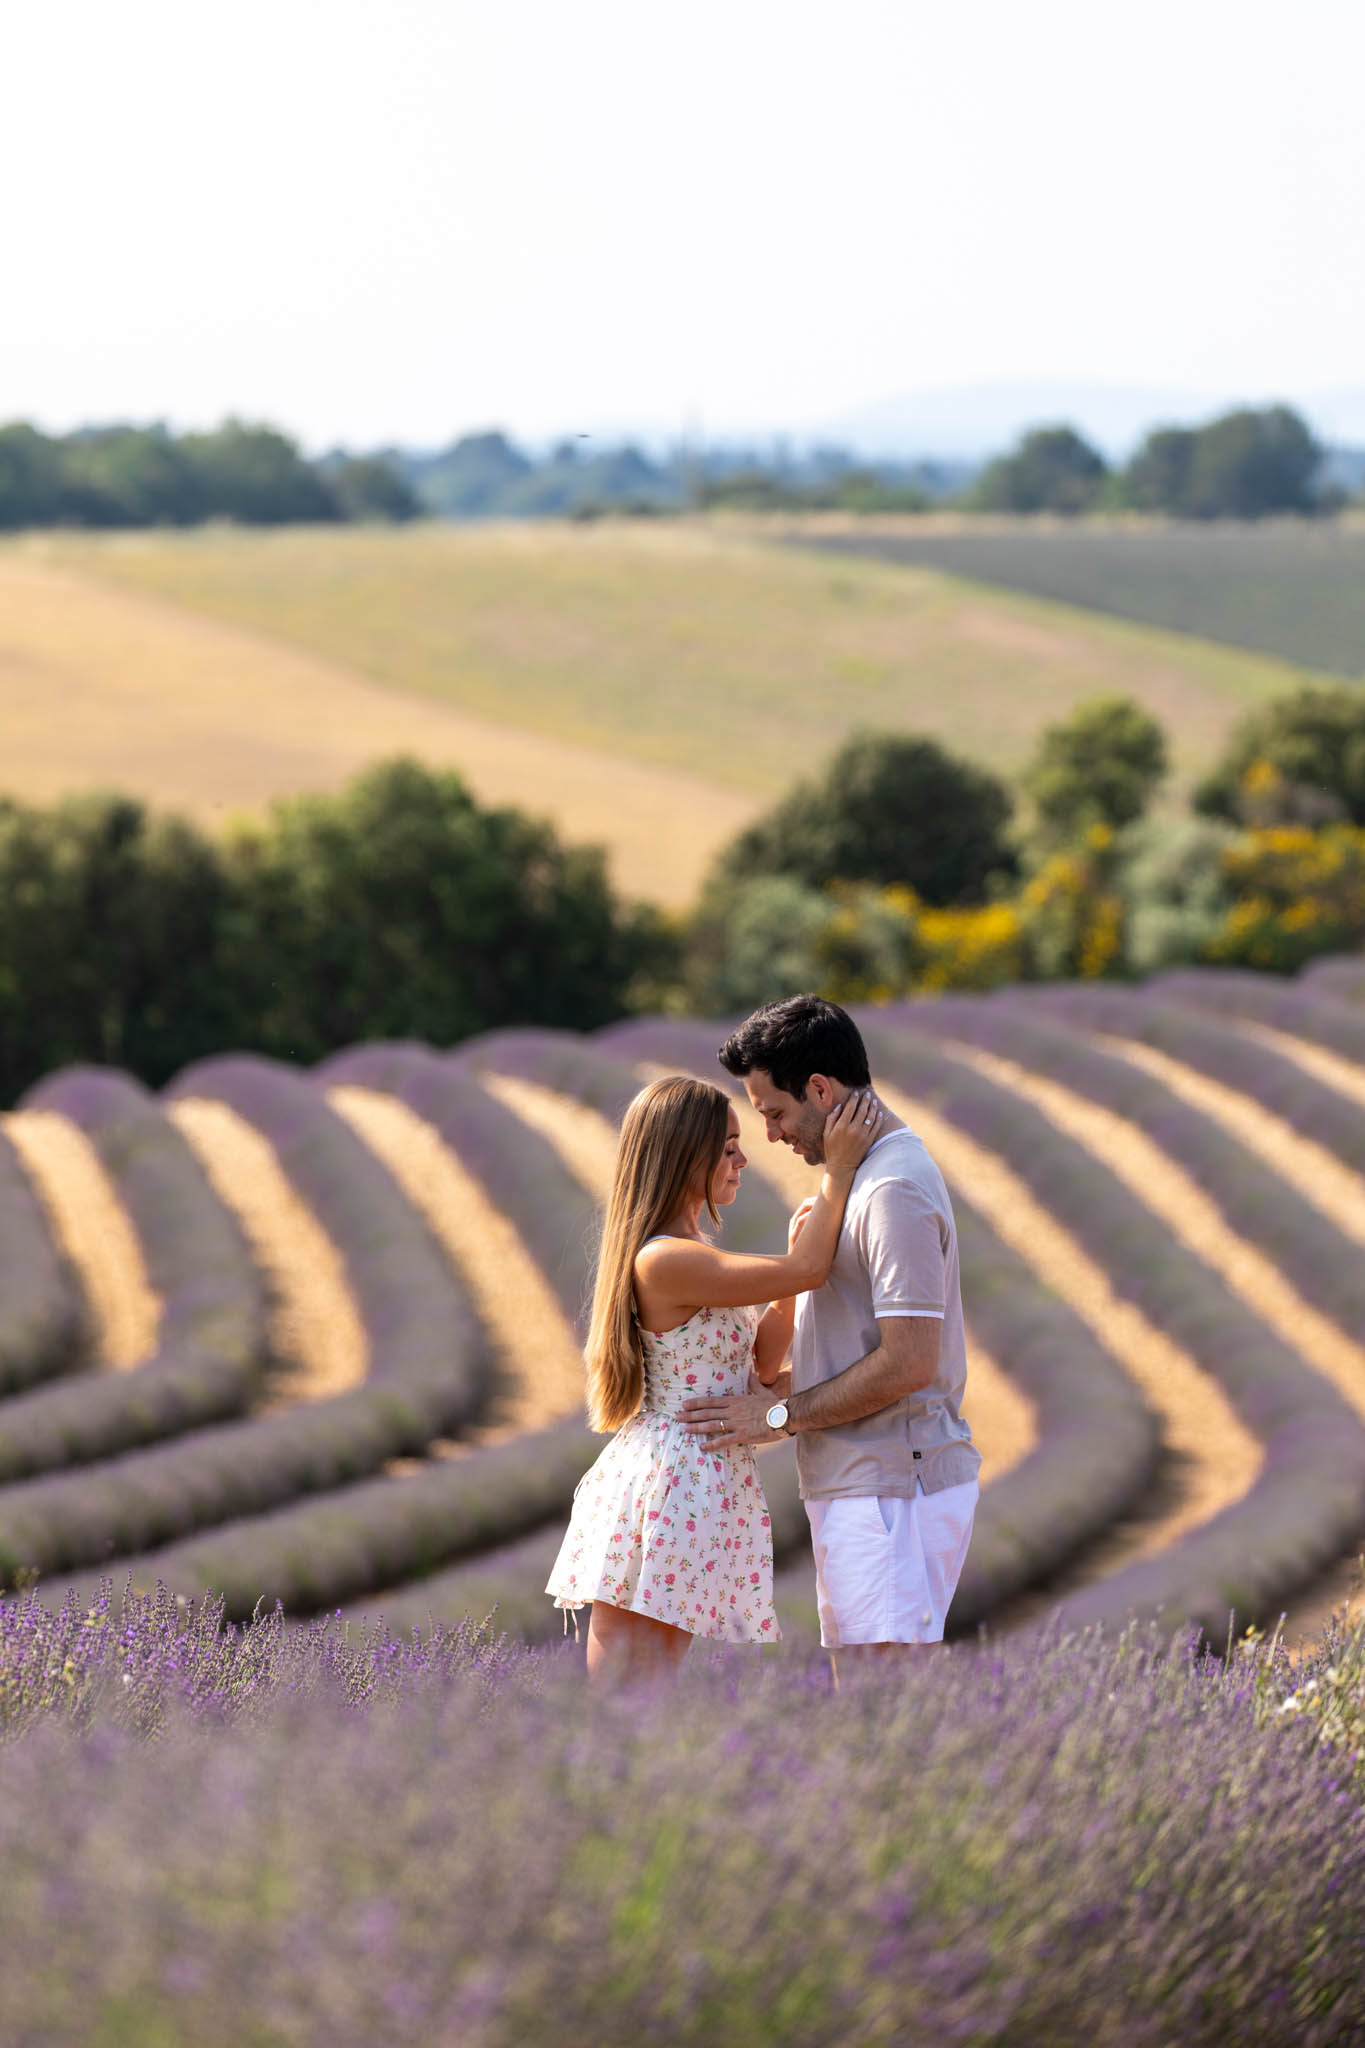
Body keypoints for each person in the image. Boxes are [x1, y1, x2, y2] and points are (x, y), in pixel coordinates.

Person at [546, 1071, 883, 1686]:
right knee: (631, 1691)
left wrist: (787, 1284)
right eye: (728, 1149)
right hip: (671, 1483)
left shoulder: (691, 1249)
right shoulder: (666, 1258)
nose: (743, 1161)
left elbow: (756, 1367)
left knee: (640, 1690)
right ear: (686, 1157)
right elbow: (809, 1269)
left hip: (697, 1478)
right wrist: (838, 1171)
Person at [681, 995, 980, 1681]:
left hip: (890, 1484)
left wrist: (778, 1416)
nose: (771, 1136)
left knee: (877, 1705)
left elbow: (908, 1363)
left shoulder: (891, 1191)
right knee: (871, 1702)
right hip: (870, 1483)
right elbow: (856, 1350)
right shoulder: (864, 1182)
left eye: (775, 1113)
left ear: (820, 1090)